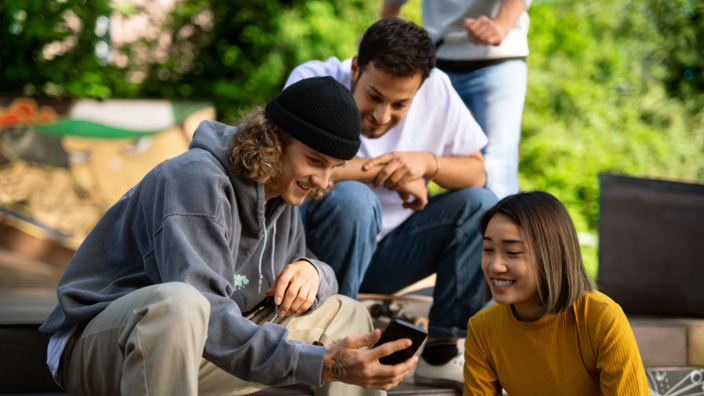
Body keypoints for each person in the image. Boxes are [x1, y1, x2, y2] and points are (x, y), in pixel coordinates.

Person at [38, 77, 419, 396]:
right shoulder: (194, 180)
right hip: (100, 345)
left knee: (347, 312)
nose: (322, 182)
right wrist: (321, 364)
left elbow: (309, 274)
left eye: (334, 168)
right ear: (274, 138)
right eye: (315, 161)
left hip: (198, 346)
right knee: (181, 304)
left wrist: (314, 270)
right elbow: (205, 313)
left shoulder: (283, 196)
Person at [286, 18, 498, 389]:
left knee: (480, 205)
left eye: (400, 104)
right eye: (374, 96)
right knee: (355, 200)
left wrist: (426, 163)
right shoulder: (314, 80)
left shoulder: (438, 90)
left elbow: (476, 173)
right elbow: (288, 164)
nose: (383, 117)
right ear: (355, 68)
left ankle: (442, 350)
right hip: (313, 254)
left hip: (391, 254)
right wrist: (377, 170)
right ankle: (336, 346)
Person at [465, 191, 650, 395]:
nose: (495, 266)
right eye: (488, 249)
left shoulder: (601, 317)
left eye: (512, 253)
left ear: (551, 255)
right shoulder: (482, 329)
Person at [382, 0, 531, 199]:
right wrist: (382, 36)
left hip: (498, 57)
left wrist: (502, 25)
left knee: (497, 166)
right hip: (438, 56)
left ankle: (500, 228)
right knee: (405, 150)